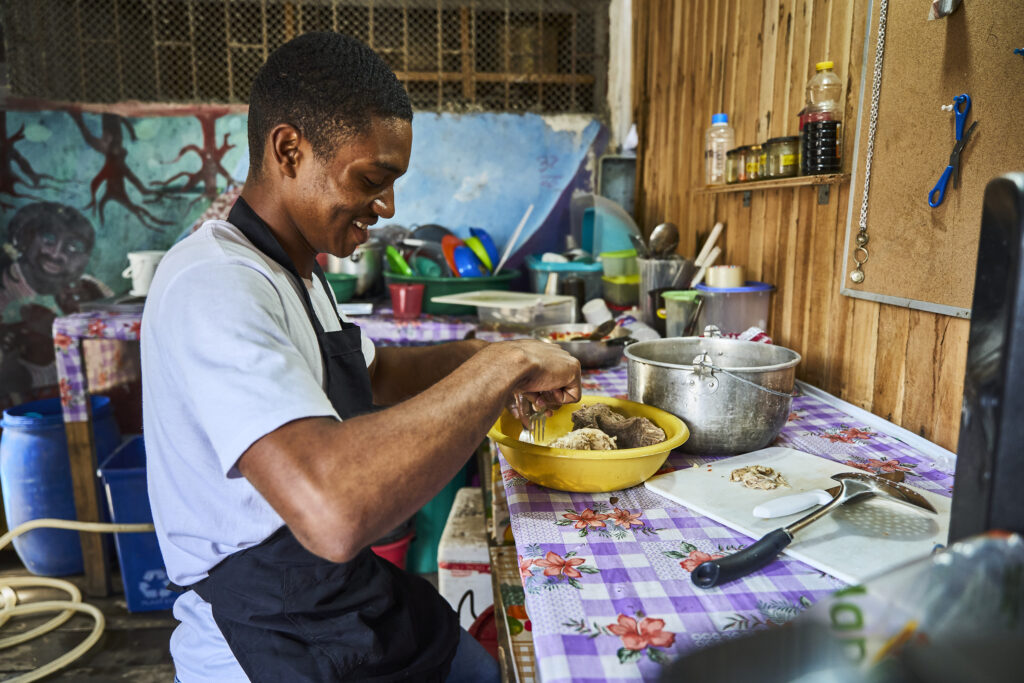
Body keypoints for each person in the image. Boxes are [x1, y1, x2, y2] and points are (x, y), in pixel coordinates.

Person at [141, 32, 581, 682]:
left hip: (335, 595)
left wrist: (486, 353)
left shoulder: (299, 270)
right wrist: (502, 367)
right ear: (288, 150)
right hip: (265, 634)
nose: (388, 207)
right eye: (372, 179)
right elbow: (332, 510)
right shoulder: (215, 285)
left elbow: (375, 373)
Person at [0, 201, 112, 407]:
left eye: (73, 247)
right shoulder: (4, 286)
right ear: (27, 238)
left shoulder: (92, 290)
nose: (57, 254)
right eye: (49, 239)